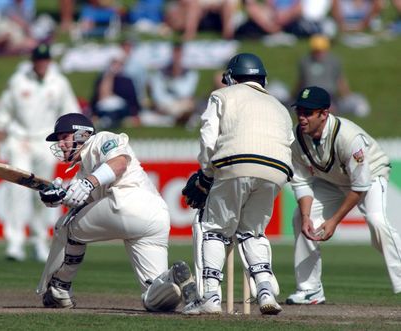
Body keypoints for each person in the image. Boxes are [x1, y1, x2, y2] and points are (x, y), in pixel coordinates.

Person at [35, 113, 197, 312]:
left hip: (128, 202)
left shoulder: (101, 139)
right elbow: (79, 201)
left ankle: (59, 289)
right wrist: (57, 197)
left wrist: (88, 183)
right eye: (58, 140)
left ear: (83, 134)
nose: (60, 144)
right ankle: (174, 276)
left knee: (66, 226)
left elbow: (119, 163)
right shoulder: (82, 172)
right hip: (156, 217)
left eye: (64, 137)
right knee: (153, 297)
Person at [181, 53, 294, 315]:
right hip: (277, 170)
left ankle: (210, 296)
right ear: (262, 79)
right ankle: (265, 289)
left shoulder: (222, 96)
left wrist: (206, 174)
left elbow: (209, 138)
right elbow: (287, 142)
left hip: (235, 162)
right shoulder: (279, 105)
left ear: (231, 77)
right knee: (253, 231)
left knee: (213, 228)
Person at [286, 86, 401, 304]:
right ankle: (310, 289)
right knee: (299, 218)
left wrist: (334, 221)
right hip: (333, 180)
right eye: (299, 111)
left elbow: (359, 186)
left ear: (324, 114)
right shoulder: (296, 138)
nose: (302, 117)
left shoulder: (349, 137)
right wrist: (308, 216)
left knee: (377, 221)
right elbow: (301, 180)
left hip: (371, 174)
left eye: (308, 113)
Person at [0, 43, 82, 262]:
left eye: (45, 60)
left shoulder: (59, 83)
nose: (41, 64)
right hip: (19, 140)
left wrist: (71, 143)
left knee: (45, 190)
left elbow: (71, 113)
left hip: (45, 142)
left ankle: (41, 240)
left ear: (49, 61)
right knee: (18, 191)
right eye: (38, 60)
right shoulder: (18, 81)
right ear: (33, 61)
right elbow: (2, 114)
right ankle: (15, 242)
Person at [296, 34, 370, 117]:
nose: (318, 54)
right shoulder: (305, 62)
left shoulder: (334, 61)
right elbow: (301, 81)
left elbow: (340, 80)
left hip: (329, 94)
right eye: (316, 51)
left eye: (320, 51)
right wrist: (294, 95)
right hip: (309, 94)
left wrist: (346, 95)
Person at [148, 42, 199, 126]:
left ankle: (178, 117)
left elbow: (186, 93)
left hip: (181, 104)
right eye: (175, 52)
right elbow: (157, 95)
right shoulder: (160, 73)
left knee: (189, 104)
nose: (177, 56)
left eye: (179, 53)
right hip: (166, 104)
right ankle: (180, 117)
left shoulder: (191, 74)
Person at [90, 54, 141, 129]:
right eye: (114, 63)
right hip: (105, 106)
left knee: (115, 112)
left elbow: (132, 98)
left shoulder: (126, 80)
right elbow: (98, 97)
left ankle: (108, 121)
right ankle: (108, 121)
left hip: (121, 107)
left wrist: (134, 113)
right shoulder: (103, 78)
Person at [165, 0, 239, 40]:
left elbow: (231, 4)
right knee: (193, 5)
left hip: (220, 12)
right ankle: (190, 33)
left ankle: (228, 35)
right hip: (201, 12)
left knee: (227, 5)